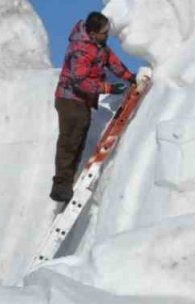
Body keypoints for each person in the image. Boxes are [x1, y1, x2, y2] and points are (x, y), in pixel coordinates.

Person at [50, 11, 136, 203]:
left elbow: (112, 62)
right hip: (69, 98)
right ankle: (60, 186)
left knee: (80, 135)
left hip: (82, 100)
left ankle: (67, 181)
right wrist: (109, 88)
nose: (107, 36)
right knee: (70, 138)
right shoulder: (80, 49)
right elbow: (78, 82)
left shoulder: (100, 46)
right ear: (93, 32)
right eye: (104, 33)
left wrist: (129, 76)